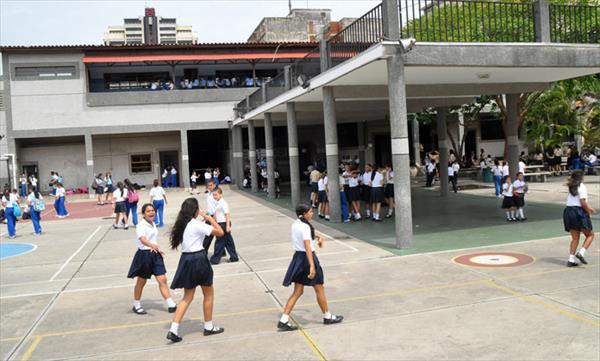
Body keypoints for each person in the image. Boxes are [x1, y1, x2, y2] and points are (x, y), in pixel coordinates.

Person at [167, 197, 225, 342]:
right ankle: (209, 326)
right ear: (195, 210)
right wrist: (209, 218)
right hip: (198, 259)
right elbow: (220, 232)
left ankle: (173, 329)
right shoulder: (196, 224)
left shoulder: (182, 225)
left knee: (187, 297)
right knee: (208, 293)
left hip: (186, 260)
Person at [278, 204, 343, 331]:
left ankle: (284, 319)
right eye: (310, 212)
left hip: (298, 259)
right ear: (304, 214)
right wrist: (312, 266)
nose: (312, 213)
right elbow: (307, 246)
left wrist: (318, 237)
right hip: (308, 259)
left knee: (298, 291)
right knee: (319, 288)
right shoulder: (305, 227)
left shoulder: (296, 224)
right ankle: (327, 316)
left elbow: (306, 237)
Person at [127, 203, 178, 315]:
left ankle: (171, 304)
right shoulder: (141, 225)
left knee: (162, 279)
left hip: (155, 254)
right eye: (148, 211)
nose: (151, 213)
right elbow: (142, 239)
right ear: (143, 214)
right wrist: (151, 245)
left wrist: (157, 248)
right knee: (141, 281)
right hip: (144, 255)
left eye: (153, 210)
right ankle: (136, 305)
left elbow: (152, 239)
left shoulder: (152, 223)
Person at [563, 170, 596, 267]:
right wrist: (588, 210)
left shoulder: (571, 186)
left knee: (575, 238)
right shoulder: (581, 186)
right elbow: (582, 202)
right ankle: (581, 252)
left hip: (568, 211)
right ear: (581, 177)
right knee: (590, 235)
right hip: (578, 212)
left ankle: (571, 260)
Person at [209, 188, 239, 264]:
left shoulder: (223, 203)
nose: (214, 196)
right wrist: (213, 222)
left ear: (221, 194)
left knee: (219, 242)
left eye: (216, 195)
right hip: (219, 224)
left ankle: (215, 259)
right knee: (229, 242)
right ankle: (234, 257)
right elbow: (216, 214)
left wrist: (228, 225)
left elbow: (227, 214)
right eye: (213, 195)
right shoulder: (217, 203)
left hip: (223, 224)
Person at [203, 179, 219, 250]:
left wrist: (214, 219)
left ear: (214, 185)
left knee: (209, 234)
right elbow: (209, 207)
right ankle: (222, 251)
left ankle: (204, 251)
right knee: (216, 235)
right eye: (208, 185)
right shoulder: (208, 194)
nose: (209, 187)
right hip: (210, 216)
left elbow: (217, 207)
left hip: (215, 217)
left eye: (211, 185)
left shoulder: (216, 194)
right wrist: (206, 216)